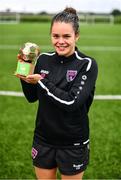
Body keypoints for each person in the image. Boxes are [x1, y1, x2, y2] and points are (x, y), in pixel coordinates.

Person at [16, 7, 98, 179]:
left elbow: (71, 103)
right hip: (43, 139)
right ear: (51, 36)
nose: (61, 41)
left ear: (77, 36)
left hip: (73, 143)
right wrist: (25, 72)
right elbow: (32, 97)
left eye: (66, 36)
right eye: (56, 36)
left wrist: (41, 81)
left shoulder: (87, 64)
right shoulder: (44, 59)